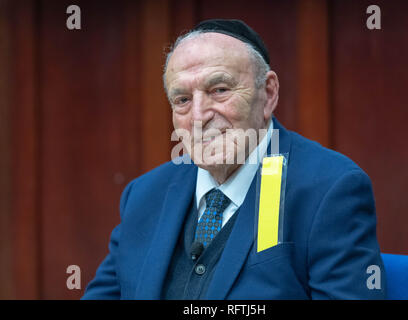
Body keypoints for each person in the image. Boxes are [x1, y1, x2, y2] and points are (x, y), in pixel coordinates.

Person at [82, 19, 386, 299]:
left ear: (267, 94)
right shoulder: (146, 195)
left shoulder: (328, 189)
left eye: (219, 90)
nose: (199, 117)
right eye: (183, 100)